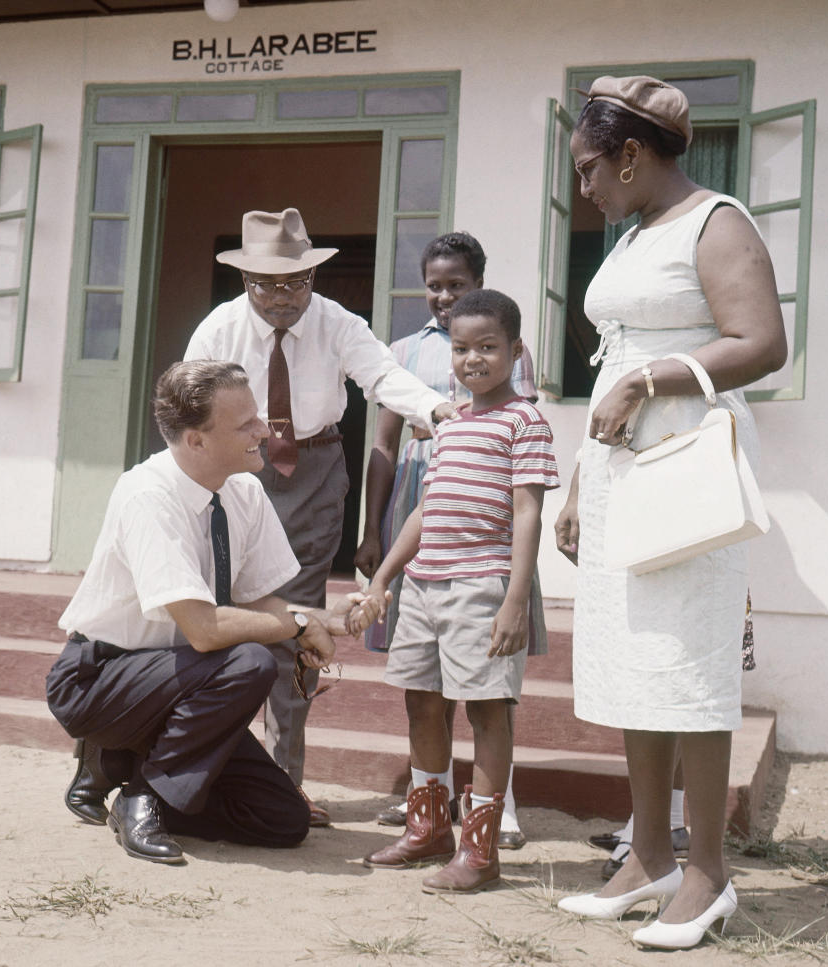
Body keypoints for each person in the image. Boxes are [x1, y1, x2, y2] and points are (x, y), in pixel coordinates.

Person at [553, 76, 786, 949]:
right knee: (633, 662)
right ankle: (647, 851)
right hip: (621, 467)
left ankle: (707, 873)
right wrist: (580, 483)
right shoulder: (632, 236)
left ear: (632, 155)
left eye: (589, 172)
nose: (585, 191)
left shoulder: (715, 220)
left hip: (687, 461)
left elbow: (762, 340)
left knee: (688, 663)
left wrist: (656, 379)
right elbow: (615, 355)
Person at [183, 208, 455, 826]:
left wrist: (439, 412)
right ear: (245, 280)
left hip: (312, 476)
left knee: (297, 627)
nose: (282, 296)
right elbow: (184, 406)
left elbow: (383, 375)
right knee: (216, 620)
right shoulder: (217, 332)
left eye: (295, 282)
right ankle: (204, 777)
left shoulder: (338, 323)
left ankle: (283, 785)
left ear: (311, 276)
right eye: (266, 284)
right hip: (235, 477)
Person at [46, 361, 358, 864]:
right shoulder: (147, 494)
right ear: (195, 441)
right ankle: (140, 794)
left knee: (282, 820)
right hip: (100, 680)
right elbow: (205, 629)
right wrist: (299, 624)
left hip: (181, 687)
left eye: (257, 416)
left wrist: (318, 619)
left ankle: (124, 762)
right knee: (250, 661)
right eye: (246, 425)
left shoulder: (244, 488)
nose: (265, 431)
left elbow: (259, 599)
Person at [351, 289, 560, 893]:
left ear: (516, 351)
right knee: (421, 700)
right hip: (422, 586)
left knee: (488, 711)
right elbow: (424, 509)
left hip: (482, 586)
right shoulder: (449, 423)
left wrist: (515, 600)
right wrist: (386, 577)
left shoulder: (524, 422)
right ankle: (429, 829)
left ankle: (481, 851)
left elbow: (527, 515)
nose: (473, 360)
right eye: (462, 348)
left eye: (488, 347)